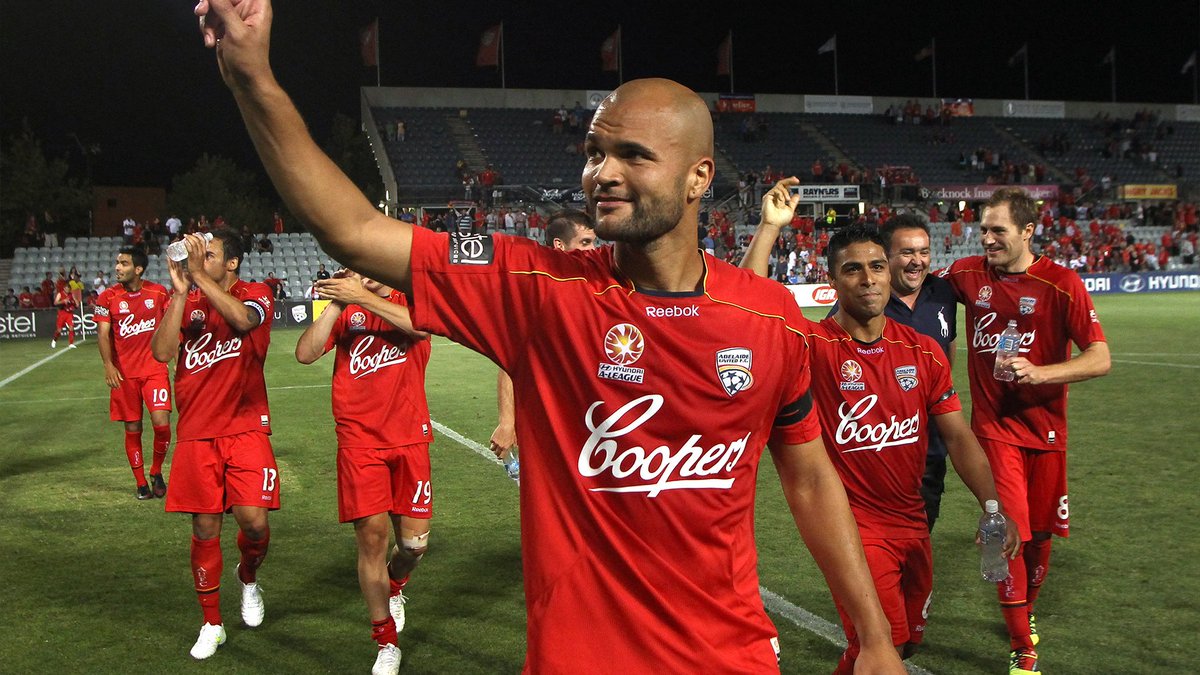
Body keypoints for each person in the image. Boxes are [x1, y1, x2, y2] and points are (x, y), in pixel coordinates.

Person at [196, 4, 903, 672]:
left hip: (732, 654)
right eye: (594, 152)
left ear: (699, 178)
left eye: (632, 154)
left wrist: (872, 635)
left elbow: (809, 476)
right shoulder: (539, 288)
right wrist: (255, 80)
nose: (603, 173)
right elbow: (350, 228)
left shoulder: (770, 315)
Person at [751, 221, 1018, 672]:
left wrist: (993, 506)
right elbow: (753, 301)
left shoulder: (923, 352)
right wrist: (769, 227)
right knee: (883, 643)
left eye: (876, 266)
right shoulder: (812, 345)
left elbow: (956, 435)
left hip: (912, 524)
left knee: (903, 644)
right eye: (853, 269)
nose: (869, 278)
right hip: (853, 530)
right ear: (831, 279)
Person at [937, 187, 1110, 674]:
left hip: (1048, 432)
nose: (987, 239)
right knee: (1001, 530)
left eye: (998, 230)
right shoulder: (968, 275)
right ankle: (1021, 647)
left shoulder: (1061, 283)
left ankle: (1023, 611)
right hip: (993, 430)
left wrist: (1042, 372)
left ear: (1028, 231)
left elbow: (1100, 358)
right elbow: (918, 293)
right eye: (983, 230)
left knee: (1038, 537)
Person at [295, 270, 433, 675]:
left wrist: (363, 295)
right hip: (359, 444)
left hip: (409, 439)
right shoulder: (345, 311)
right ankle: (385, 640)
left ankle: (395, 586)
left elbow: (422, 328)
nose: (357, 273)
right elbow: (305, 353)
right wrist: (339, 302)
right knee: (371, 542)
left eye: (364, 266)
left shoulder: (409, 299)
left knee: (414, 548)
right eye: (351, 267)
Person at [151, 230, 278, 660]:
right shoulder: (189, 298)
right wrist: (180, 294)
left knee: (254, 523)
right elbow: (162, 352)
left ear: (233, 262)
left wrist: (199, 278)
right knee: (205, 529)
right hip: (197, 432)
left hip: (245, 428)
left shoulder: (256, 293)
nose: (200, 259)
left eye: (210, 254)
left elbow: (244, 320)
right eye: (196, 254)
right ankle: (212, 623)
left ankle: (248, 578)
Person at [489, 209, 596, 460]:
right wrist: (507, 422)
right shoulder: (537, 294)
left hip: (594, 418)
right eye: (585, 243)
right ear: (559, 245)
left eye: (594, 242)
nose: (593, 249)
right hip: (548, 420)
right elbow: (510, 360)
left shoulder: (597, 287)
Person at [95, 247, 174, 500]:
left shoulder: (158, 293)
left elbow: (171, 326)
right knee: (133, 428)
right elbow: (103, 333)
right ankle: (141, 483)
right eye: (117, 263)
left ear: (138, 269)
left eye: (124, 263)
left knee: (162, 426)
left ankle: (156, 470)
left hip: (154, 370)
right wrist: (108, 365)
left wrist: (177, 356)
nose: (117, 267)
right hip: (125, 375)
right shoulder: (107, 297)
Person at [50, 284, 78, 349]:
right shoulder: (60, 294)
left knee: (71, 327)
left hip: (69, 313)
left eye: (68, 288)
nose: (67, 290)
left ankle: (71, 343)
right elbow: (55, 303)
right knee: (59, 330)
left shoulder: (71, 294)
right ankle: (54, 340)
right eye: (66, 288)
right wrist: (63, 301)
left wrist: (76, 303)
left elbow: (76, 302)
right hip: (62, 312)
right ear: (64, 288)